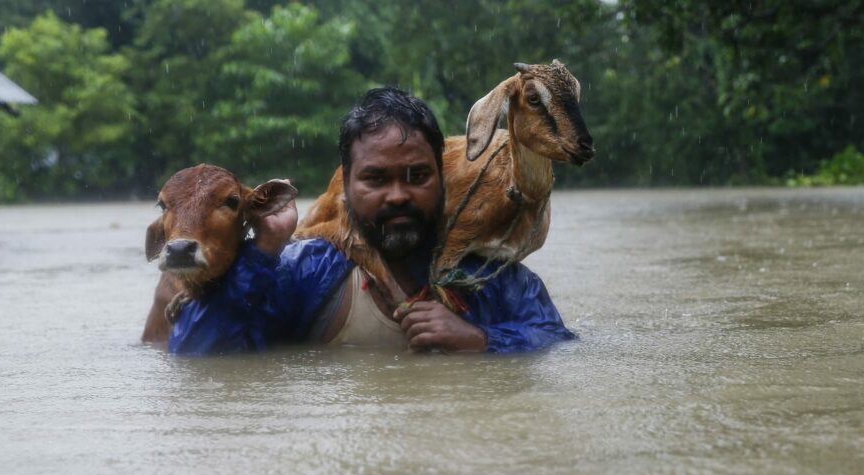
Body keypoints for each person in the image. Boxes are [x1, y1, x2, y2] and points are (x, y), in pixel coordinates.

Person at [169, 87, 575, 354]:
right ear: (346, 185)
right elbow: (198, 355)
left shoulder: (492, 277)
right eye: (376, 178)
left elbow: (560, 345)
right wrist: (262, 250)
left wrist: (481, 339)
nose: (398, 195)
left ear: (442, 178)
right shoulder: (306, 271)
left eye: (418, 176)